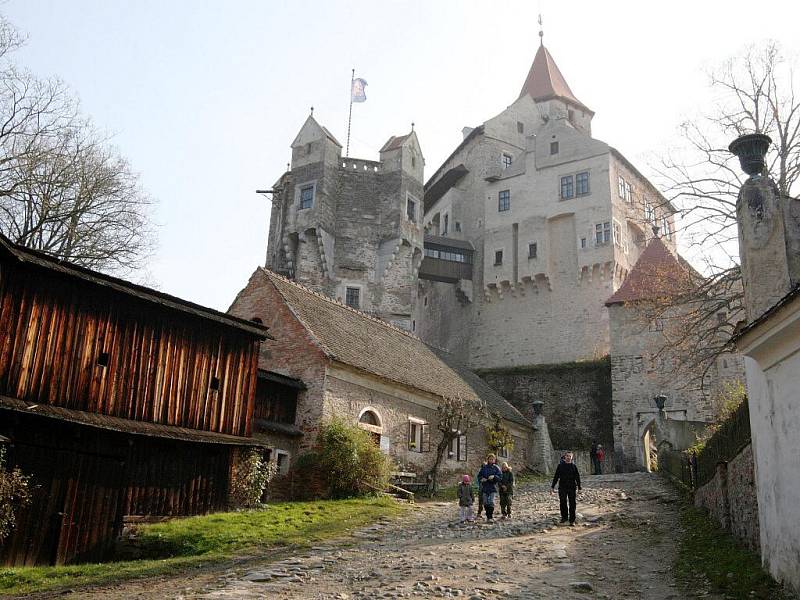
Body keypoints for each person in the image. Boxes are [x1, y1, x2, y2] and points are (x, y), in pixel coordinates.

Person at [550, 451, 582, 526]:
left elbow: (577, 477)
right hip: (562, 487)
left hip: (572, 487)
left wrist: (579, 488)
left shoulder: (573, 466)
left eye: (570, 456)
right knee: (563, 502)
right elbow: (556, 477)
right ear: (565, 457)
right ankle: (564, 518)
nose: (568, 457)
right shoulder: (560, 466)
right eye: (567, 456)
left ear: (572, 457)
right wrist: (552, 487)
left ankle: (572, 520)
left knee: (572, 503)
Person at [478, 453, 502, 521]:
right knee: (485, 502)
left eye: (492, 459)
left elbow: (500, 477)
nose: (491, 460)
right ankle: (488, 515)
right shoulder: (484, 468)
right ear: (488, 459)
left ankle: (490, 517)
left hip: (493, 487)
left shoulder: (496, 468)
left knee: (491, 502)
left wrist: (494, 477)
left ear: (494, 460)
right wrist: (482, 479)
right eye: (490, 459)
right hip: (485, 487)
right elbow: (479, 476)